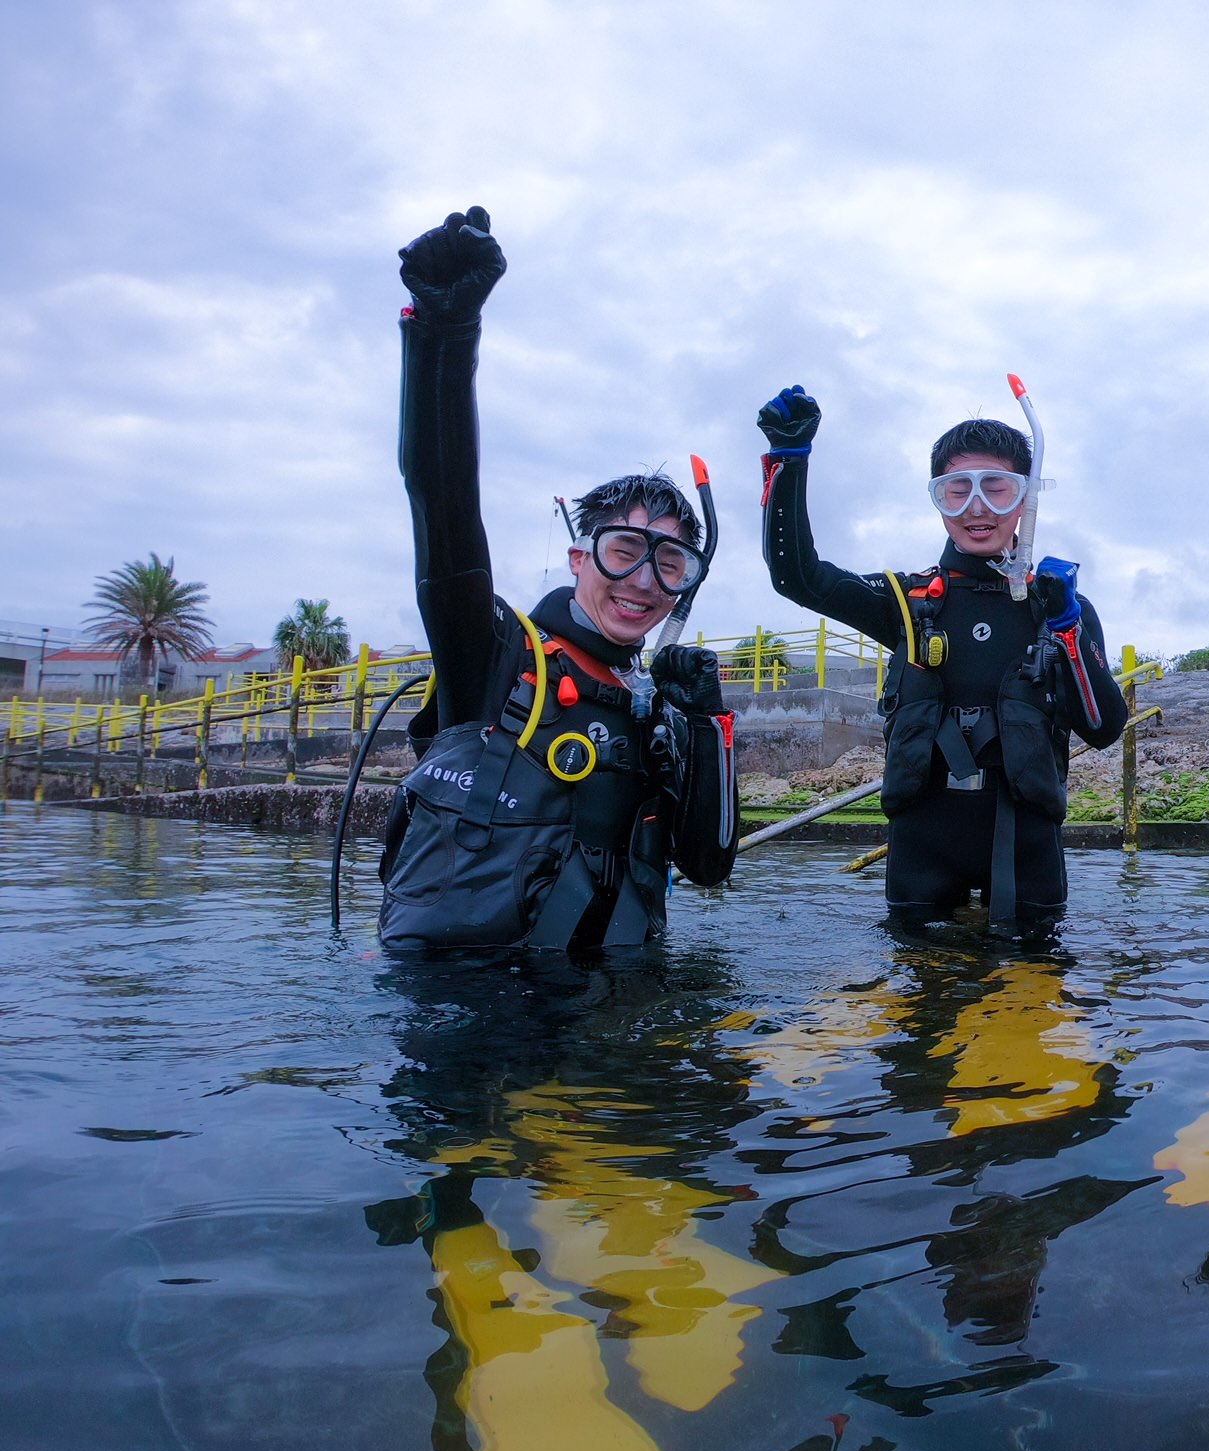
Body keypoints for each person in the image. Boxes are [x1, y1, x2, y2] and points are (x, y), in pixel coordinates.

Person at [379, 206, 738, 951]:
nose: (642, 580)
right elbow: (442, 502)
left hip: (618, 1019)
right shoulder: (495, 657)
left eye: (670, 564)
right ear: (580, 557)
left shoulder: (660, 714)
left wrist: (706, 727)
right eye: (623, 550)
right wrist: (445, 335)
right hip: (479, 1025)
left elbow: (708, 864)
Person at [756, 383, 1127, 937]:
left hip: (1028, 857)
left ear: (1026, 498)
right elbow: (798, 576)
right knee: (920, 1008)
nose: (978, 509)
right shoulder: (908, 603)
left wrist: (1068, 627)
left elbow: (1104, 729)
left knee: (1034, 999)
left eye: (997, 489)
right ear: (939, 500)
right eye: (957, 491)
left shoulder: (1060, 607)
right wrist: (788, 460)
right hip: (922, 855)